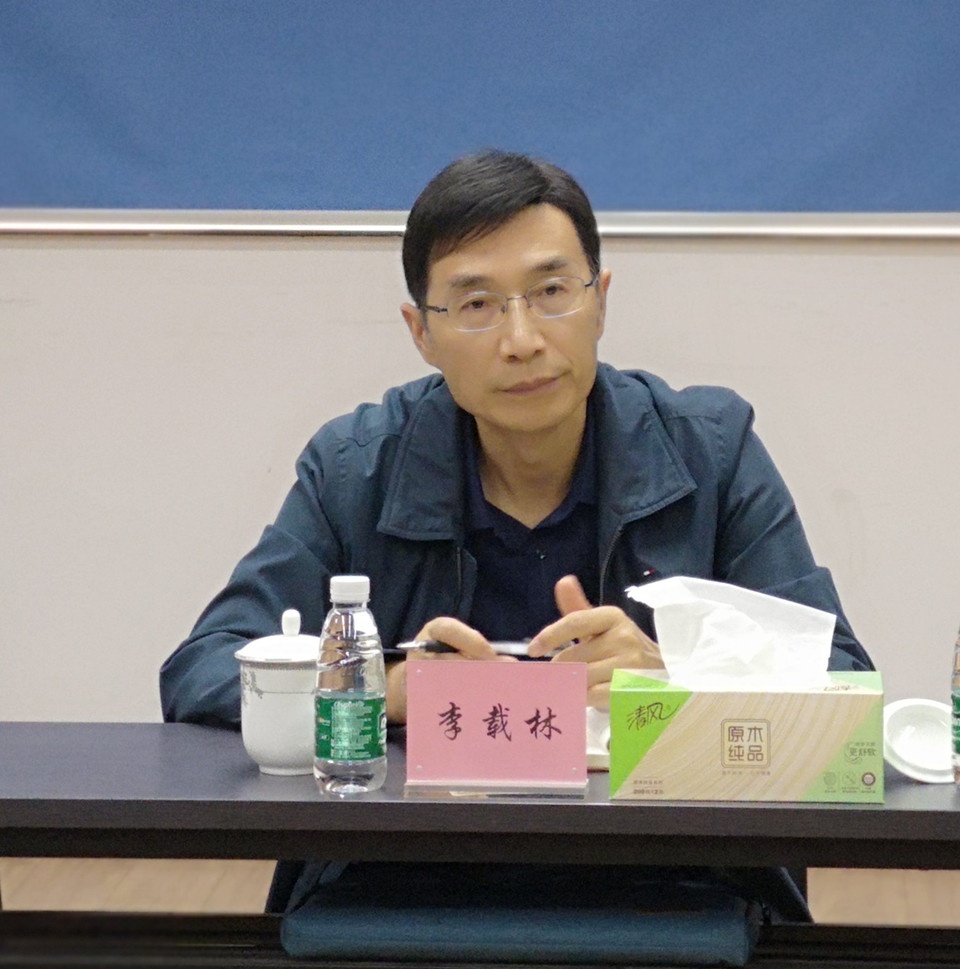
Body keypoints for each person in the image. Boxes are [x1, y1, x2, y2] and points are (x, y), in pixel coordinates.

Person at [160, 149, 872, 919]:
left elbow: (841, 679)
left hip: (676, 880)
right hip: (404, 881)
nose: (523, 338)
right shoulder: (355, 468)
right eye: (477, 304)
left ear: (601, 301)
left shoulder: (712, 451)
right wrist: (380, 688)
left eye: (551, 292)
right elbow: (204, 665)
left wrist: (673, 681)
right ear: (421, 333)